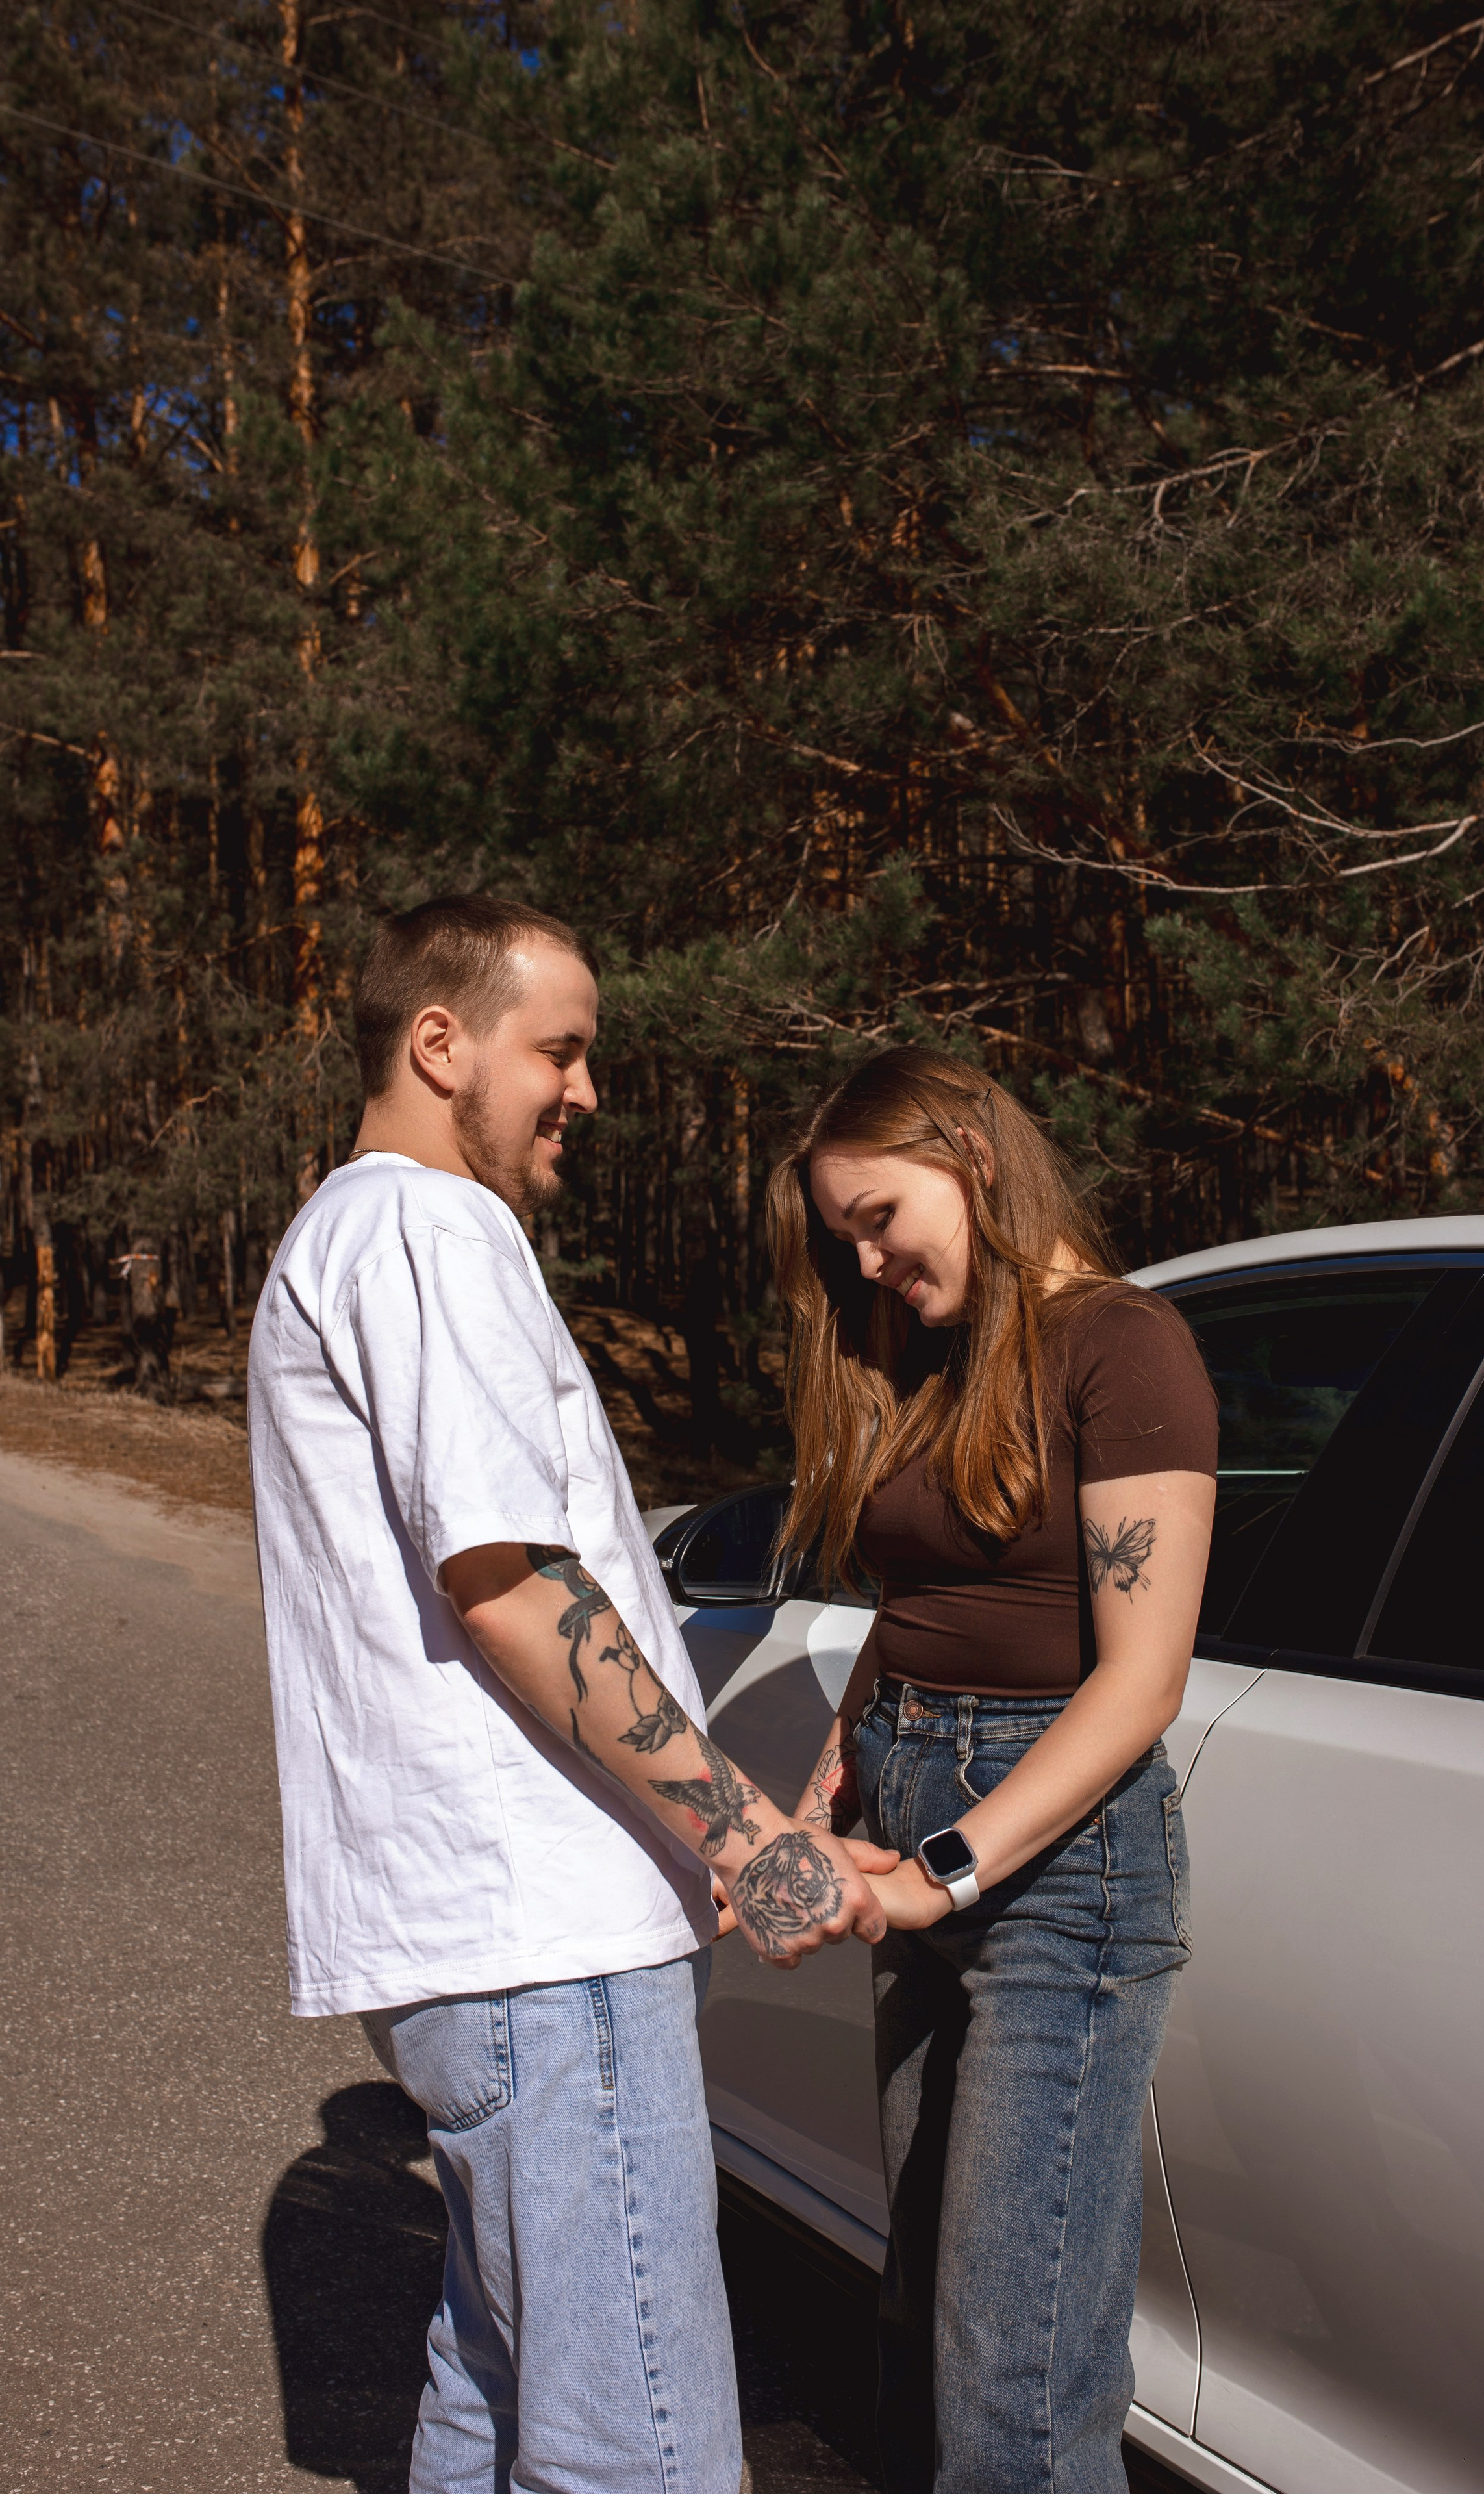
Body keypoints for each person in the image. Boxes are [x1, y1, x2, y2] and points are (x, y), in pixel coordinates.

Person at [248, 894, 893, 2494]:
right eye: (562, 1050)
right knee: (643, 2451)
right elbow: (515, 1583)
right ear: (439, 1041)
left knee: (495, 2381)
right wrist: (748, 1840)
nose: (586, 1091)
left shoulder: (348, 1233)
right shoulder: (424, 1227)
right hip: (541, 1934)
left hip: (482, 1936)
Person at [766, 1045, 1217, 2494]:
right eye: (847, 1237)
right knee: (927, 2324)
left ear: (967, 1150)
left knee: (1013, 2381)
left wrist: (943, 1872)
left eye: (880, 1217)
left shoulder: (1121, 1343)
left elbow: (1140, 1677)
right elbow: (908, 1625)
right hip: (910, 1810)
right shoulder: (938, 1359)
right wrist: (811, 1806)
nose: (869, 1260)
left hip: (1052, 1872)